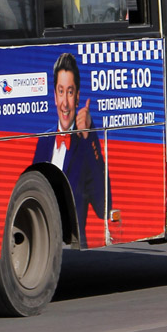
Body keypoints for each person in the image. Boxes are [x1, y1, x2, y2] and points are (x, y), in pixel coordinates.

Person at [31, 52, 109, 246]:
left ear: (77, 97)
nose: (65, 103)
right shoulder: (44, 142)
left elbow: (104, 207)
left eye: (70, 92)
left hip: (74, 247)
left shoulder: (85, 145)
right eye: (60, 91)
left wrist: (89, 134)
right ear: (54, 97)